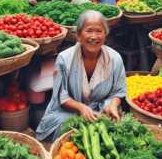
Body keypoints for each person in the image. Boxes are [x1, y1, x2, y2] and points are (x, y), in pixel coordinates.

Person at [36, 10, 126, 141]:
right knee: (70, 129)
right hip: (68, 112)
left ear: (105, 35)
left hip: (100, 110)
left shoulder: (115, 59)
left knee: (112, 131)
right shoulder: (65, 59)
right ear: (78, 35)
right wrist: (81, 108)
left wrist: (112, 105)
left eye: (99, 31)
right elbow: (62, 96)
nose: (94, 36)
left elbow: (118, 91)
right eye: (89, 31)